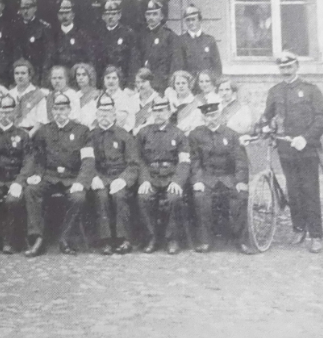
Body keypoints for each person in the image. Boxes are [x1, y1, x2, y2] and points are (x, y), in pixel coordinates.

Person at [259, 52, 323, 253]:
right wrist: (263, 127)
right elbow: (266, 115)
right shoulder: (275, 91)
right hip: (286, 150)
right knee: (293, 190)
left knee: (310, 190)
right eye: (282, 68)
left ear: (296, 67)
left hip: (306, 149)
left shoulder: (310, 90)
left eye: (289, 67)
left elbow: (320, 118)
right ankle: (299, 228)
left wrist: (306, 138)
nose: (286, 71)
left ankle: (316, 235)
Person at [23, 92, 94, 257]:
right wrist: (38, 175)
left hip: (72, 178)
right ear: (52, 111)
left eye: (63, 109)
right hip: (49, 176)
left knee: (78, 197)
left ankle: (65, 237)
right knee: (31, 190)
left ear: (69, 110)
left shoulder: (82, 131)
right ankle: (38, 239)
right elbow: (38, 158)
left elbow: (88, 160)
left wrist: (81, 181)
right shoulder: (44, 131)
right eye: (56, 109)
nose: (59, 112)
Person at [188, 96, 251, 254]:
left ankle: (242, 241)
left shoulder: (231, 134)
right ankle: (205, 241)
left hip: (228, 177)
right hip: (207, 178)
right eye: (207, 116)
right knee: (200, 197)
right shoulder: (196, 135)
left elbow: (240, 160)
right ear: (203, 117)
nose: (211, 119)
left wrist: (241, 181)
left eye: (214, 115)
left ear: (221, 115)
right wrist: (197, 180)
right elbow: (194, 160)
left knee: (240, 196)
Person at [0, 94, 33, 254]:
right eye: (3, 110)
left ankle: (10, 241)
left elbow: (28, 162)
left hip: (14, 180)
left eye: (9, 110)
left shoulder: (23, 135)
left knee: (13, 201)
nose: (5, 114)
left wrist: (19, 182)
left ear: (15, 112)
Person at [136, 96, 190, 254]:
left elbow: (184, 161)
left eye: (162, 110)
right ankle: (152, 237)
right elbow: (138, 159)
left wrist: (178, 181)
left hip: (171, 176)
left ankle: (171, 239)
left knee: (173, 197)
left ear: (169, 112)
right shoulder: (144, 133)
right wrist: (144, 180)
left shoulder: (178, 134)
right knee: (144, 197)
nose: (159, 114)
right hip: (151, 176)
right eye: (156, 111)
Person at [87, 93, 139, 255]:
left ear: (114, 114)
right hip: (99, 177)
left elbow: (133, 163)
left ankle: (124, 239)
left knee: (119, 195)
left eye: (108, 112)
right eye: (101, 113)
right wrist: (93, 177)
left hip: (119, 176)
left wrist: (123, 180)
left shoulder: (124, 135)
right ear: (96, 115)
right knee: (101, 196)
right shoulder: (90, 136)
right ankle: (105, 240)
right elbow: (86, 161)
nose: (105, 116)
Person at [136, 0, 178, 93]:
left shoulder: (169, 36)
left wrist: (170, 85)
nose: (151, 17)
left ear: (161, 16)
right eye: (148, 14)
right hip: (144, 84)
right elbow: (136, 60)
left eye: (155, 14)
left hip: (162, 84)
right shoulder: (141, 36)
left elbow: (174, 63)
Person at [12, 0, 51, 82]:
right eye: (23, 8)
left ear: (35, 8)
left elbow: (48, 55)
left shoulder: (43, 27)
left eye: (28, 7)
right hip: (20, 74)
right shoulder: (15, 28)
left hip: (37, 74)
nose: (25, 11)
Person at [97, 0, 137, 87]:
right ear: (103, 17)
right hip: (103, 81)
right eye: (107, 14)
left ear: (119, 15)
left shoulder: (127, 33)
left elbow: (133, 60)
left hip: (122, 80)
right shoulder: (98, 34)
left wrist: (130, 84)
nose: (110, 17)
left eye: (113, 14)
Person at [175, 4, 222, 79]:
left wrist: (212, 83)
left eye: (193, 19)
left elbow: (217, 67)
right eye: (188, 20)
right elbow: (178, 68)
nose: (190, 23)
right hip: (189, 85)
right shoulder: (180, 41)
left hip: (206, 84)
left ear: (200, 20)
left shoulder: (209, 40)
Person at [50, 0, 95, 71]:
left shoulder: (82, 36)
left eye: (67, 13)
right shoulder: (54, 36)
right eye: (61, 13)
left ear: (73, 15)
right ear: (58, 16)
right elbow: (49, 61)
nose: (64, 16)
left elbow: (90, 60)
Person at [8, 60, 48, 137]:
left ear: (30, 76)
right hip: (12, 134)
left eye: (23, 73)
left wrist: (29, 135)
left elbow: (41, 121)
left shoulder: (38, 94)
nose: (20, 76)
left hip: (33, 134)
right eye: (17, 73)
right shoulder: (10, 94)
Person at [101, 65, 138, 133]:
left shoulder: (126, 98)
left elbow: (130, 123)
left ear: (119, 80)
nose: (111, 81)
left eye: (114, 78)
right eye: (108, 78)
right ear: (104, 80)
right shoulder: (100, 98)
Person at [166, 70, 203, 134]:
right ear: (174, 85)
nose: (181, 86)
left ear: (189, 84)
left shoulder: (196, 103)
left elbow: (197, 125)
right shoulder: (170, 100)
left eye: (183, 83)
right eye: (177, 83)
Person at [73, 63, 101, 128]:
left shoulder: (98, 95)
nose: (80, 77)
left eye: (84, 75)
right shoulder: (75, 95)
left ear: (90, 76)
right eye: (78, 75)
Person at [132, 68, 159, 135]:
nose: (140, 85)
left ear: (150, 82)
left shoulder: (158, 99)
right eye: (138, 82)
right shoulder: (132, 100)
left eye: (143, 81)